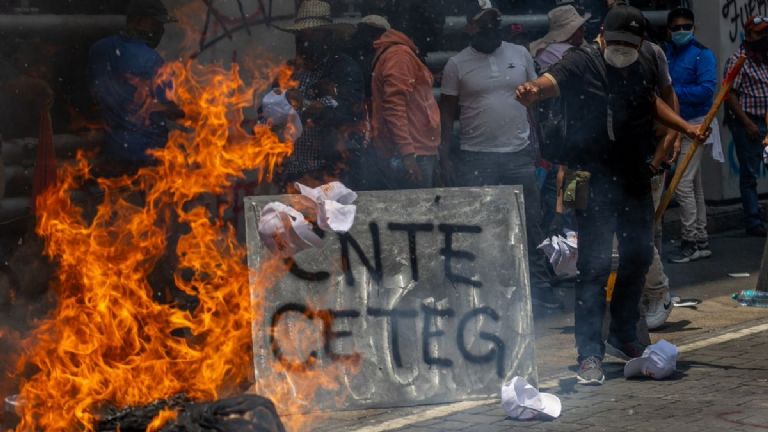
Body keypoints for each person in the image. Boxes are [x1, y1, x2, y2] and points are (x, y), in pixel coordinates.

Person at [516, 5, 709, 385]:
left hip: (633, 175)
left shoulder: (645, 62)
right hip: (587, 176)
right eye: (617, 42)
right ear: (603, 35)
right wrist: (531, 91)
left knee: (638, 255)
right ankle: (589, 352)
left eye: (630, 44)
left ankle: (625, 336)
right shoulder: (580, 62)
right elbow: (549, 83)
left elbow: (654, 101)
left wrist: (683, 127)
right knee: (594, 265)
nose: (622, 50)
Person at [440, 0, 558, 308]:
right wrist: (445, 155)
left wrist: (538, 147)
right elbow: (448, 113)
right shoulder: (456, 64)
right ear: (469, 27)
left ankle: (541, 288)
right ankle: (487, 293)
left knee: (530, 223)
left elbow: (533, 99)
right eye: (483, 22)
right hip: (476, 158)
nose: (491, 28)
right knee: (482, 227)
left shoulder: (519, 55)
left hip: (519, 154)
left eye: (494, 21)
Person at [275, 0, 365, 191]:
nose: (305, 39)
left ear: (327, 36)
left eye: (313, 33)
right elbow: (266, 113)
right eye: (302, 33)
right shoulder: (289, 71)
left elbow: (351, 115)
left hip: (330, 174)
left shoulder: (344, 69)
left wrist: (316, 109)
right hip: (294, 171)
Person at [89, 0, 181, 176]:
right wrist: (192, 112)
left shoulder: (99, 49)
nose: (160, 29)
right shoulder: (153, 61)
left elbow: (96, 92)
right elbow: (168, 109)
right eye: (156, 23)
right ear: (139, 21)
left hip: (114, 150)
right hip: (149, 154)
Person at [664, 8, 719, 263]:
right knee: (694, 185)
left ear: (693, 28)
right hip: (678, 125)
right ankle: (700, 238)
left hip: (697, 125)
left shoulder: (702, 55)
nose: (682, 31)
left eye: (686, 26)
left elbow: (707, 91)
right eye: (677, 27)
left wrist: (673, 94)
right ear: (669, 30)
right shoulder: (668, 54)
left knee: (683, 185)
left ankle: (690, 240)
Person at [370, 18, 440, 189]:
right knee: (416, 213)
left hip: (414, 150)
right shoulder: (399, 55)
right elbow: (394, 106)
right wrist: (408, 153)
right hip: (412, 153)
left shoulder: (399, 53)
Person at [725, 16, 768, 237]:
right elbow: (729, 95)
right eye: (760, 33)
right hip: (749, 123)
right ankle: (753, 221)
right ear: (749, 35)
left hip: (765, 121)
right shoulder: (739, 60)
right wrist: (747, 123)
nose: (764, 38)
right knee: (749, 174)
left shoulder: (763, 59)